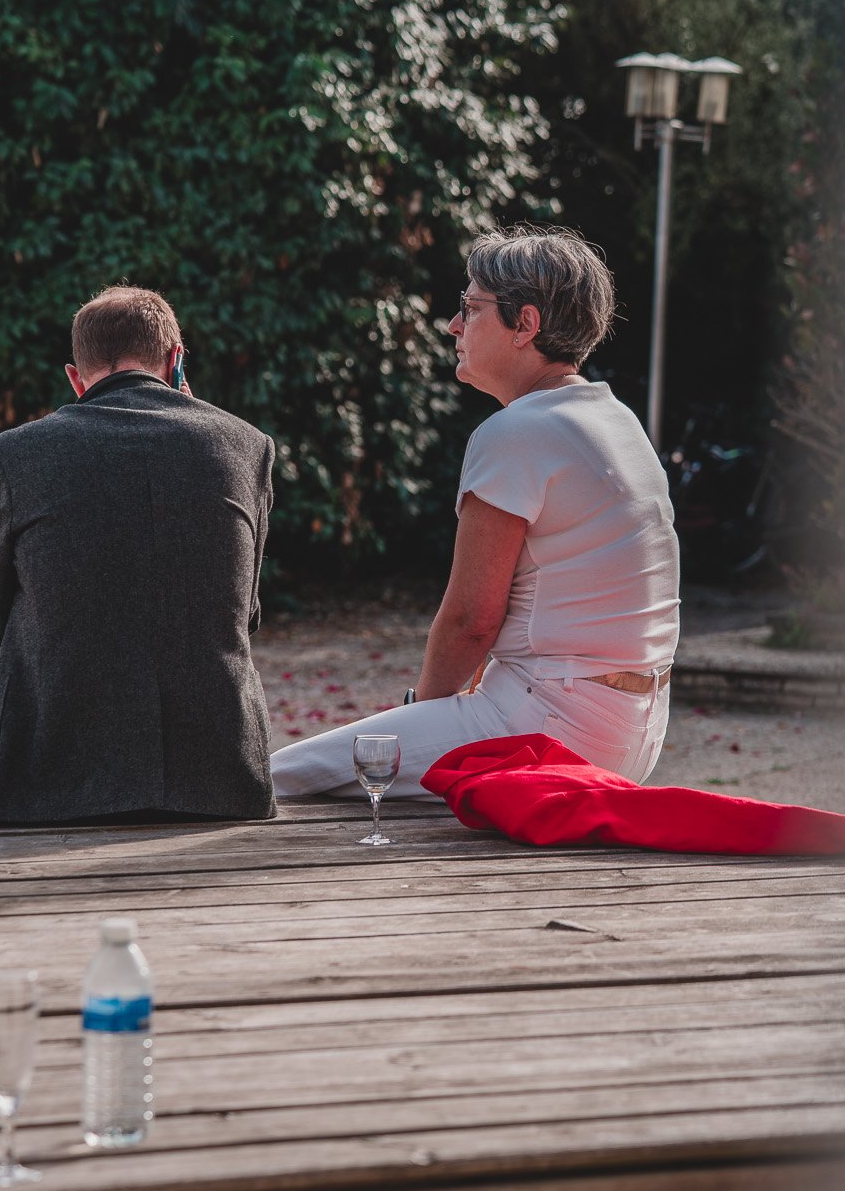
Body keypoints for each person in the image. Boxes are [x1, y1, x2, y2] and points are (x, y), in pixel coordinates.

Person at [271, 227, 680, 801]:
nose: (453, 325)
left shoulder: (517, 430)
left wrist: (419, 712)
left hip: (552, 728)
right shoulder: (616, 420)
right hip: (635, 730)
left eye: (470, 307)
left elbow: (472, 620)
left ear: (525, 324)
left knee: (280, 778)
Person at [0, 286, 276, 825]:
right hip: (219, 776)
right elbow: (243, 615)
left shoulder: (15, 454)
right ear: (177, 360)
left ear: (75, 377)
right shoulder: (247, 446)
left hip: (52, 777)